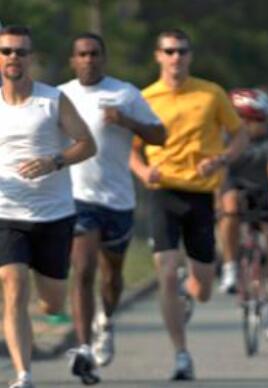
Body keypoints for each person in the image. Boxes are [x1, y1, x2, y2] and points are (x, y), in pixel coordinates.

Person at [129, 28, 247, 381]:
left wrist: (222, 160)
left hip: (200, 194)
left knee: (204, 288)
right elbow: (131, 150)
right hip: (164, 191)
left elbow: (239, 133)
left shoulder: (210, 93)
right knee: (165, 271)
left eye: (181, 51)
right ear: (158, 56)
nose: (175, 57)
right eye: (169, 51)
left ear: (189, 56)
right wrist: (142, 171)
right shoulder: (144, 98)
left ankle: (189, 292)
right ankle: (181, 354)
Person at [59, 32, 166, 385]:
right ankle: (85, 347)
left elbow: (160, 136)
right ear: (73, 60)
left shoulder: (126, 94)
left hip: (118, 200)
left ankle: (106, 319)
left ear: (103, 59)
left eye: (94, 54)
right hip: (77, 198)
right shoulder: (61, 96)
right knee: (84, 268)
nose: (89, 60)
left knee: (112, 276)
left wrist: (126, 121)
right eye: (82, 54)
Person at [0, 25, 96, 388]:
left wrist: (54, 161)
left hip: (54, 214)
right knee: (12, 283)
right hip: (7, 213)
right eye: (7, 51)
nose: (13, 58)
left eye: (20, 52)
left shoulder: (52, 100)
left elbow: (87, 144)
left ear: (30, 58)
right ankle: (23, 375)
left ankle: (53, 315)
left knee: (52, 303)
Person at [218, 88, 268, 341]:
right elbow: (221, 174)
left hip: (266, 194)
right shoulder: (226, 136)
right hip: (235, 190)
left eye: (263, 120)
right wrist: (220, 201)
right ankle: (230, 266)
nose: (261, 125)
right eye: (255, 120)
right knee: (230, 205)